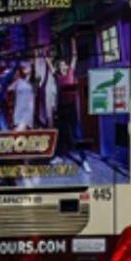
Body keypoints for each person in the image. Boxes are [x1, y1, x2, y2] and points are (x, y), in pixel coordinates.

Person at [49, 44, 90, 172]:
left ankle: (84, 161)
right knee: (60, 134)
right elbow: (49, 65)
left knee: (77, 134)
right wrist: (45, 56)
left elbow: (74, 57)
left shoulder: (71, 72)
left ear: (67, 66)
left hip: (71, 108)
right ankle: (58, 156)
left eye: (63, 65)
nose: (62, 67)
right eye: (60, 66)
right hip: (62, 109)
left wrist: (73, 44)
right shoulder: (57, 76)